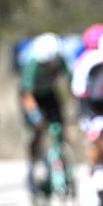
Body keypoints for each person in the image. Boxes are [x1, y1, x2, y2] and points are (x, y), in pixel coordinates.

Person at [19, 32, 70, 195]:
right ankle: (33, 165)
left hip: (49, 95)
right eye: (45, 64)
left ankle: (60, 158)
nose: (48, 67)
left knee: (58, 127)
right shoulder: (32, 65)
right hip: (32, 99)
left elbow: (70, 80)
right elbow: (27, 95)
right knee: (36, 132)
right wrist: (36, 116)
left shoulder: (60, 61)